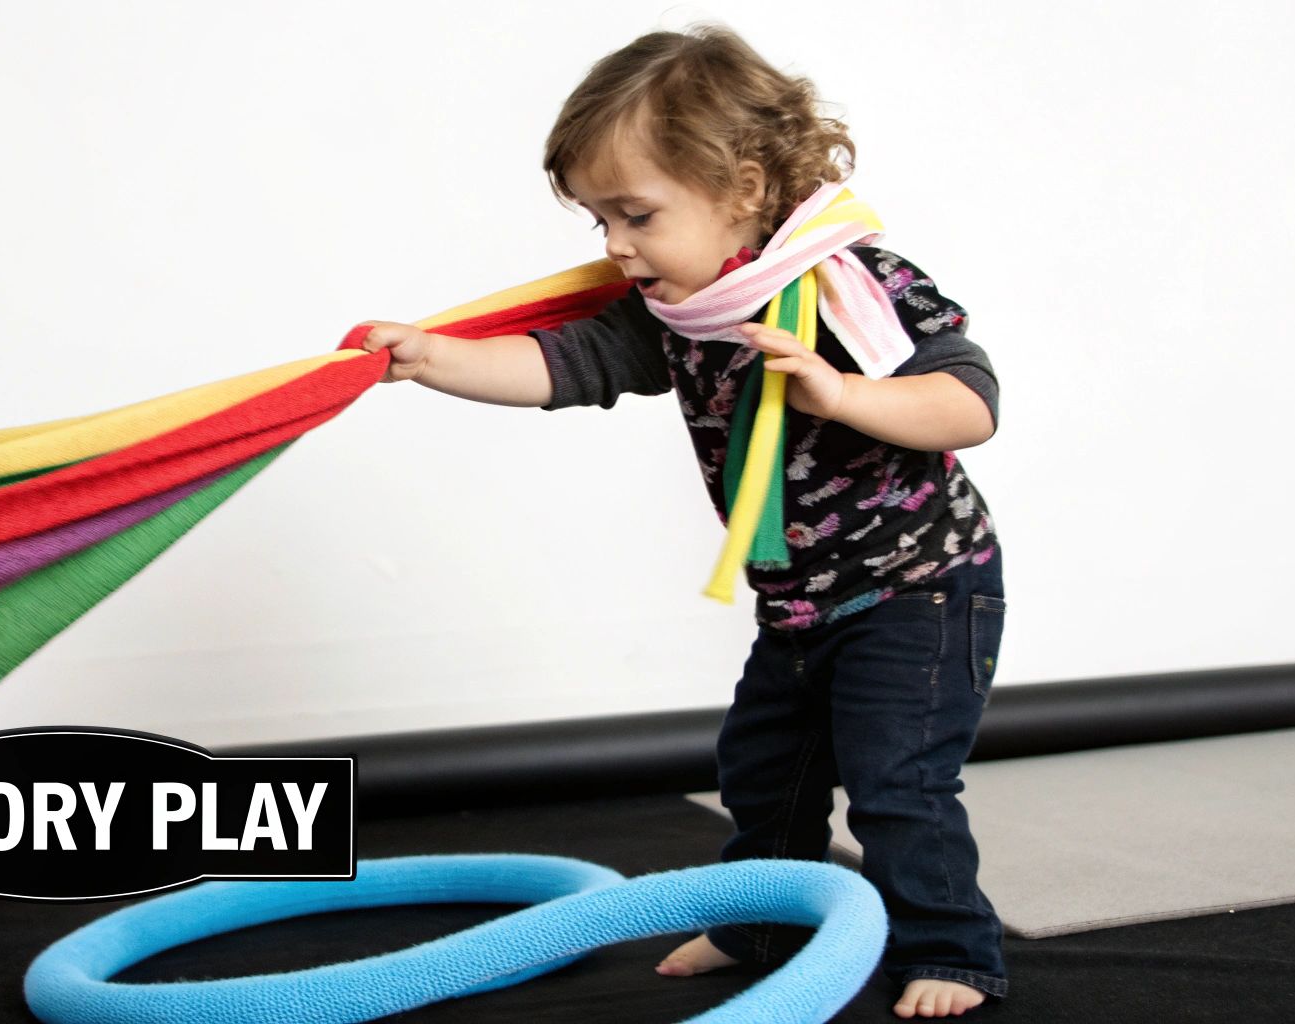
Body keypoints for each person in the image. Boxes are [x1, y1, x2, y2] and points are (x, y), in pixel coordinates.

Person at [361, 24, 1007, 1019]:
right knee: (763, 775)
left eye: (636, 214)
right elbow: (556, 369)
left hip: (918, 587)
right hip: (797, 602)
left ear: (743, 188)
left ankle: (951, 950)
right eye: (598, 221)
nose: (615, 245)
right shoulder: (675, 310)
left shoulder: (851, 283)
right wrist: (429, 357)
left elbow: (966, 405)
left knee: (897, 784)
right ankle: (760, 924)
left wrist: (837, 392)